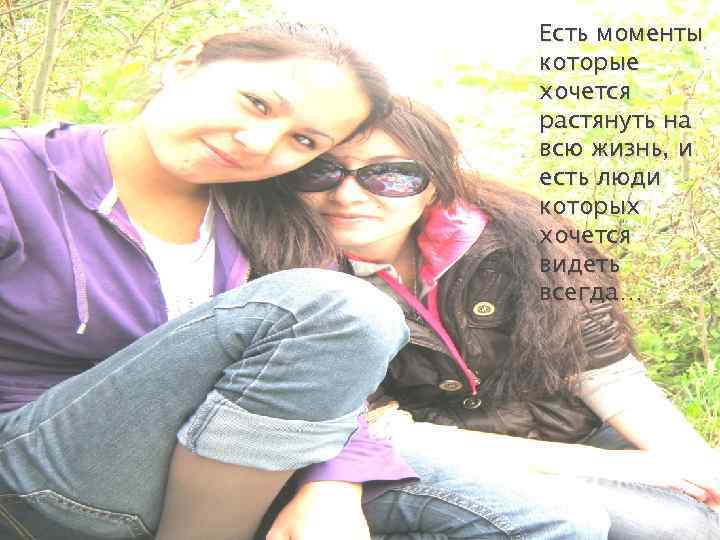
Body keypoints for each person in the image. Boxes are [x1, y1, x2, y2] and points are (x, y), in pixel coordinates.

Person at [0, 24, 568, 540]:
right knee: (343, 307)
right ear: (187, 62)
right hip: (51, 471)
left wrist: (333, 483)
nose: (258, 142)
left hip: (231, 466)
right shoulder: (16, 178)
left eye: (304, 142)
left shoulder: (265, 216)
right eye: (256, 103)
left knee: (548, 524)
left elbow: (322, 374)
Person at [269, 96, 720, 539]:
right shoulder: (281, 271)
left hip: (566, 428)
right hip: (435, 456)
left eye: (392, 174)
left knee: (698, 521)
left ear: (436, 183)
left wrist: (695, 465)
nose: (347, 195)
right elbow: (378, 429)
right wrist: (616, 467)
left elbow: (603, 370)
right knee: (664, 528)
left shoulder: (522, 236)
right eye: (321, 171)